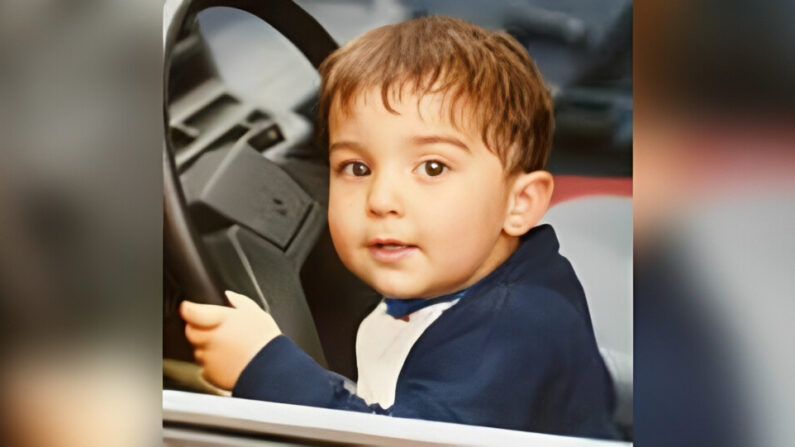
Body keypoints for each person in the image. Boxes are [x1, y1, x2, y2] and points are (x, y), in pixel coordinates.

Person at [180, 16, 618, 438]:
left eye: (431, 167)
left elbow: (399, 440)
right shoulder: (467, 279)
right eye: (356, 167)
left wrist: (264, 367)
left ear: (518, 204)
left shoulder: (510, 334)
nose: (381, 200)